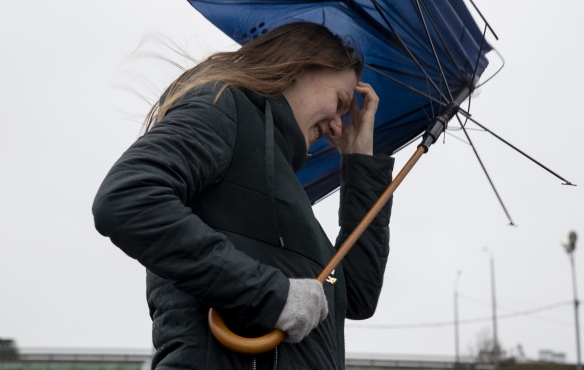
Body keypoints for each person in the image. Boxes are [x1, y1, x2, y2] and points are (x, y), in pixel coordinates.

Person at [92, 22, 395, 369]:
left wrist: (360, 163)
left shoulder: (281, 184)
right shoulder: (225, 105)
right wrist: (269, 295)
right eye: (339, 102)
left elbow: (355, 294)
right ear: (298, 67)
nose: (337, 127)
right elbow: (128, 198)